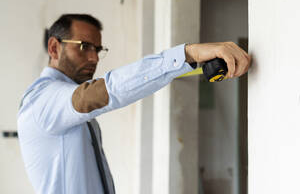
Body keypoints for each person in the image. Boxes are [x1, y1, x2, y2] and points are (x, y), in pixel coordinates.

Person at [17, 14, 252, 194]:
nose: (94, 58)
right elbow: (103, 91)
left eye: (98, 50)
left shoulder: (62, 99)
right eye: (84, 46)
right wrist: (187, 54)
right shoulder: (41, 100)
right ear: (54, 48)